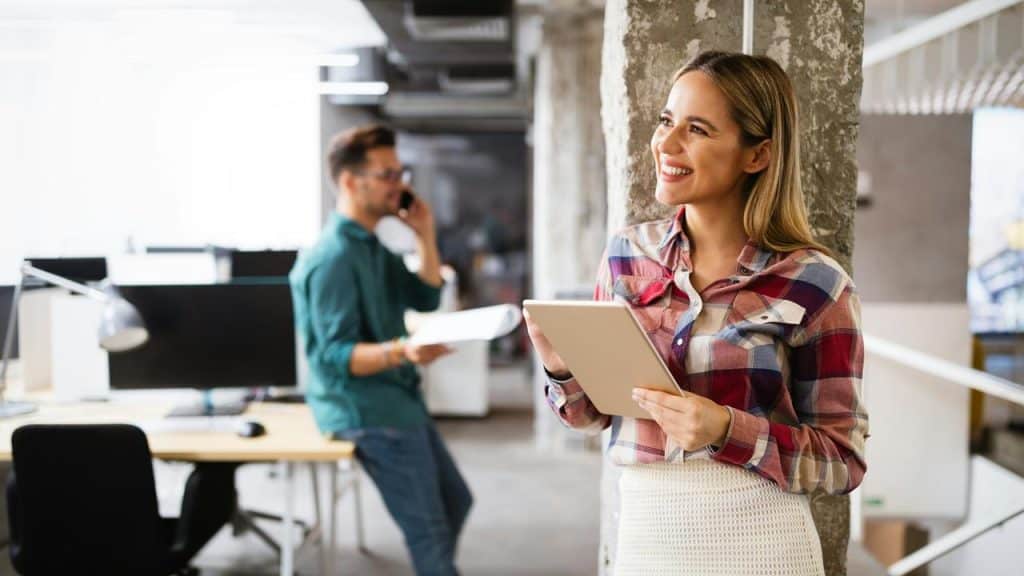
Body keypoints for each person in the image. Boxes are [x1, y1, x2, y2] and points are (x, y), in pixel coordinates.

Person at [524, 51, 868, 576]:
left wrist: (726, 428)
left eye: (698, 129)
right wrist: (560, 367)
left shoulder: (815, 284)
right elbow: (593, 417)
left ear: (758, 156)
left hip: (764, 549)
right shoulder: (626, 255)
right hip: (646, 541)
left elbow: (842, 462)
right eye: (667, 121)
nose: (666, 143)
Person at [289, 125, 473, 576]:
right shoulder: (333, 257)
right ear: (351, 182)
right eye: (387, 174)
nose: (400, 184)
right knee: (430, 533)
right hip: (366, 410)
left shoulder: (372, 247)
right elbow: (333, 356)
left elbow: (427, 295)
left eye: (399, 172)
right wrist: (401, 352)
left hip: (398, 399)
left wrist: (424, 233)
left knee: (456, 501)